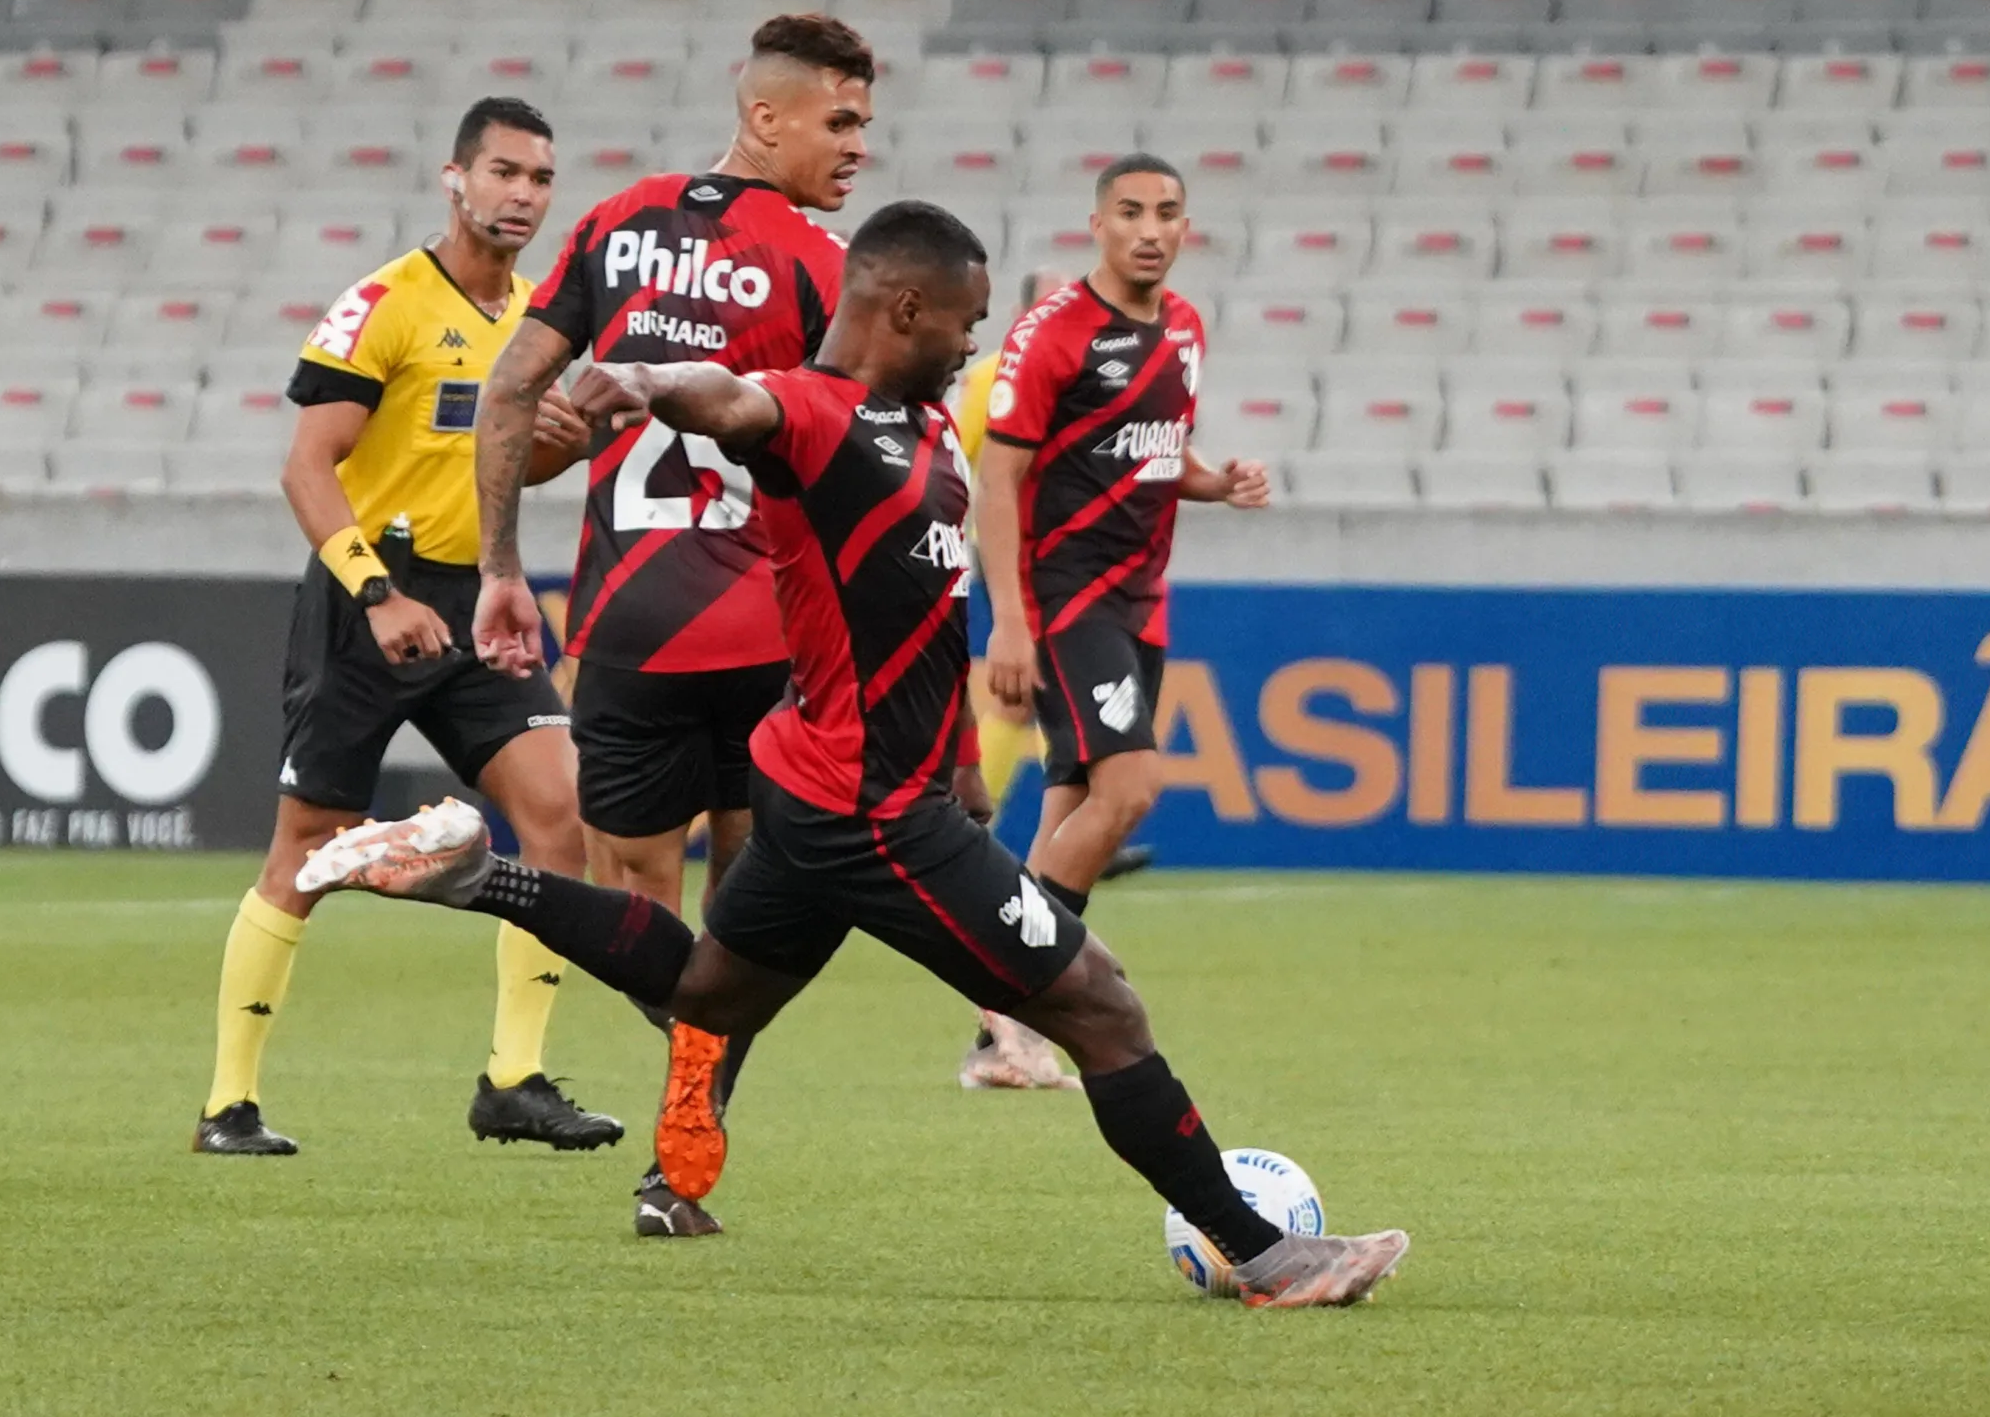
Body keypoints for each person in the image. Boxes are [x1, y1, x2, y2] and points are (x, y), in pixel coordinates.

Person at [294, 201, 1410, 1308]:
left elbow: (933, 620)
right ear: (906, 306)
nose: (976, 342)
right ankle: (1263, 1253)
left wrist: (967, 759)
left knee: (703, 992)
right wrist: (636, 379)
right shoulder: (813, 414)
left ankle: (479, 876)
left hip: (833, 790)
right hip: (872, 810)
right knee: (1102, 1004)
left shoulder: (926, 432)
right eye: (967, 320)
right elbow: (730, 397)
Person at [457, 14, 875, 1234]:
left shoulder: (615, 223)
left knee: (642, 908)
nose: (857, 148)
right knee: (752, 915)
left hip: (625, 623)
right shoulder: (819, 263)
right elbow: (854, 449)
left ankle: (677, 1134)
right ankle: (684, 1140)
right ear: (766, 114)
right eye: (839, 122)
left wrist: (496, 568)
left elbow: (509, 389)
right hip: (768, 627)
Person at [192, 97, 622, 1157]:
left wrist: (567, 440)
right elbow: (307, 465)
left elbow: (506, 468)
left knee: (561, 814)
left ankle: (514, 1075)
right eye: (505, 173)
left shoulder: (535, 320)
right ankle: (227, 1103)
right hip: (368, 596)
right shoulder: (383, 302)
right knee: (309, 847)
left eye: (540, 179)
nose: (522, 194)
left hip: (475, 595)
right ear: (455, 178)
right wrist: (377, 593)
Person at [962, 154, 1272, 1092]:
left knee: (1071, 802)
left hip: (1142, 598)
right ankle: (1015, 988)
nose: (1149, 228)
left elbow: (1152, 445)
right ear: (1097, 224)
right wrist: (1011, 621)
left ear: (1186, 227)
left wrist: (1211, 481)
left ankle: (1000, 1042)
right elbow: (999, 480)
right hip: (1068, 595)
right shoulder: (1051, 333)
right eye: (1130, 211)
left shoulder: (1183, 327)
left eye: (1167, 213)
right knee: (1129, 788)